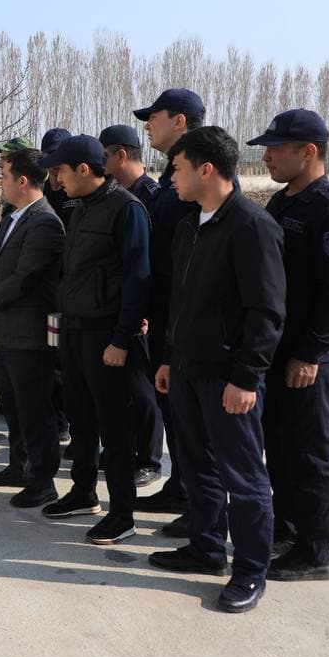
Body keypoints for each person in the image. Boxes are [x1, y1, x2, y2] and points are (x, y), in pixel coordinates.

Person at [148, 126, 285, 614]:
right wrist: (167, 358)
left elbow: (266, 313)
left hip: (228, 379)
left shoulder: (251, 227)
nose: (171, 179)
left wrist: (247, 378)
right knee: (196, 464)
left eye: (178, 168)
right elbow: (180, 303)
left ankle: (249, 570)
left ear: (207, 169)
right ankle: (206, 549)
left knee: (243, 476)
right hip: (185, 370)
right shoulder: (190, 225)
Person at [248, 109, 329, 583]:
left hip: (308, 355)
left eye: (276, 148)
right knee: (279, 445)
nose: (268, 156)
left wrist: (310, 354)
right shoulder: (283, 204)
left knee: (311, 454)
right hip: (279, 348)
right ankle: (287, 528)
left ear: (308, 152)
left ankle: (315, 551)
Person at [38, 134, 150, 546]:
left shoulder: (127, 209)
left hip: (107, 336)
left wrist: (121, 339)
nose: (55, 180)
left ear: (84, 169)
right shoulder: (82, 207)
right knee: (81, 419)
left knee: (115, 428)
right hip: (74, 330)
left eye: (60, 171)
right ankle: (83, 492)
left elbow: (139, 279)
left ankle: (123, 513)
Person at [134, 87, 208, 533]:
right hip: (166, 315)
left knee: (195, 424)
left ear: (179, 121)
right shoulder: (171, 177)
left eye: (154, 117)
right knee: (177, 416)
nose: (148, 125)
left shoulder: (200, 177)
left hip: (188, 320)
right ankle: (183, 488)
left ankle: (203, 512)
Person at [0, 147, 66, 507]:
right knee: (14, 406)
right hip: (9, 330)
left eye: (3, 174)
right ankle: (19, 466)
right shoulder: (14, 217)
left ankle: (43, 480)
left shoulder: (44, 221)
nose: (0, 181)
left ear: (22, 180)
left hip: (30, 332)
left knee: (35, 410)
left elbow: (25, 276)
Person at [100, 122, 165, 488]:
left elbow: (148, 263)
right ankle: (122, 450)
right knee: (124, 388)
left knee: (143, 389)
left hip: (141, 314)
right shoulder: (119, 195)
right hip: (123, 308)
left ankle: (149, 458)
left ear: (120, 156)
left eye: (104, 157)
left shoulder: (148, 196)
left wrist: (144, 313)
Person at [40, 128, 80, 227]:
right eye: (51, 154)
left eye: (61, 154)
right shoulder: (38, 193)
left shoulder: (81, 193)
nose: (56, 159)